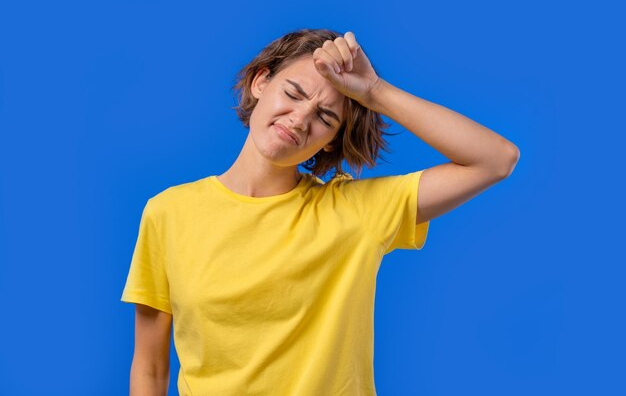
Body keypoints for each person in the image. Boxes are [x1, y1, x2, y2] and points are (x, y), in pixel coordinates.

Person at [121, 28, 519, 396]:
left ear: (330, 142)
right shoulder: (169, 213)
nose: (299, 120)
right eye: (293, 93)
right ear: (261, 82)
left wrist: (376, 92)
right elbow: (151, 367)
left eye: (325, 117)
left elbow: (495, 159)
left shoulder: (356, 212)